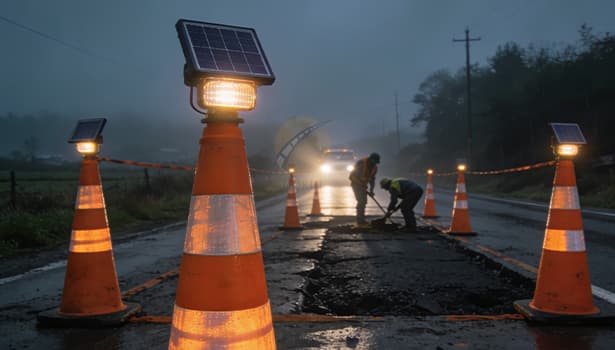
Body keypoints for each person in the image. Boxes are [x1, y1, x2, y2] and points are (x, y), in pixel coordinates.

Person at [348, 152, 380, 225]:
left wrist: (372, 191)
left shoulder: (374, 167)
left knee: (364, 201)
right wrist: (360, 184)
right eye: (375, 161)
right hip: (356, 184)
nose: (375, 164)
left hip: (363, 186)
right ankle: (360, 220)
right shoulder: (361, 163)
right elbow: (352, 176)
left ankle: (361, 218)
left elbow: (372, 180)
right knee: (361, 201)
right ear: (371, 159)